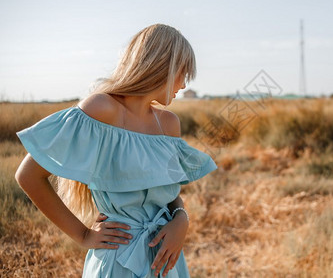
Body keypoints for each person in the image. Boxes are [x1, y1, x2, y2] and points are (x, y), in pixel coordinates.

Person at [14, 23, 218, 278]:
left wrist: (181, 218)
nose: (185, 84)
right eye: (182, 72)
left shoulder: (168, 124)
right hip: (117, 260)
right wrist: (83, 235)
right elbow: (28, 176)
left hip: (166, 259)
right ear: (162, 66)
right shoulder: (102, 109)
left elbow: (168, 193)